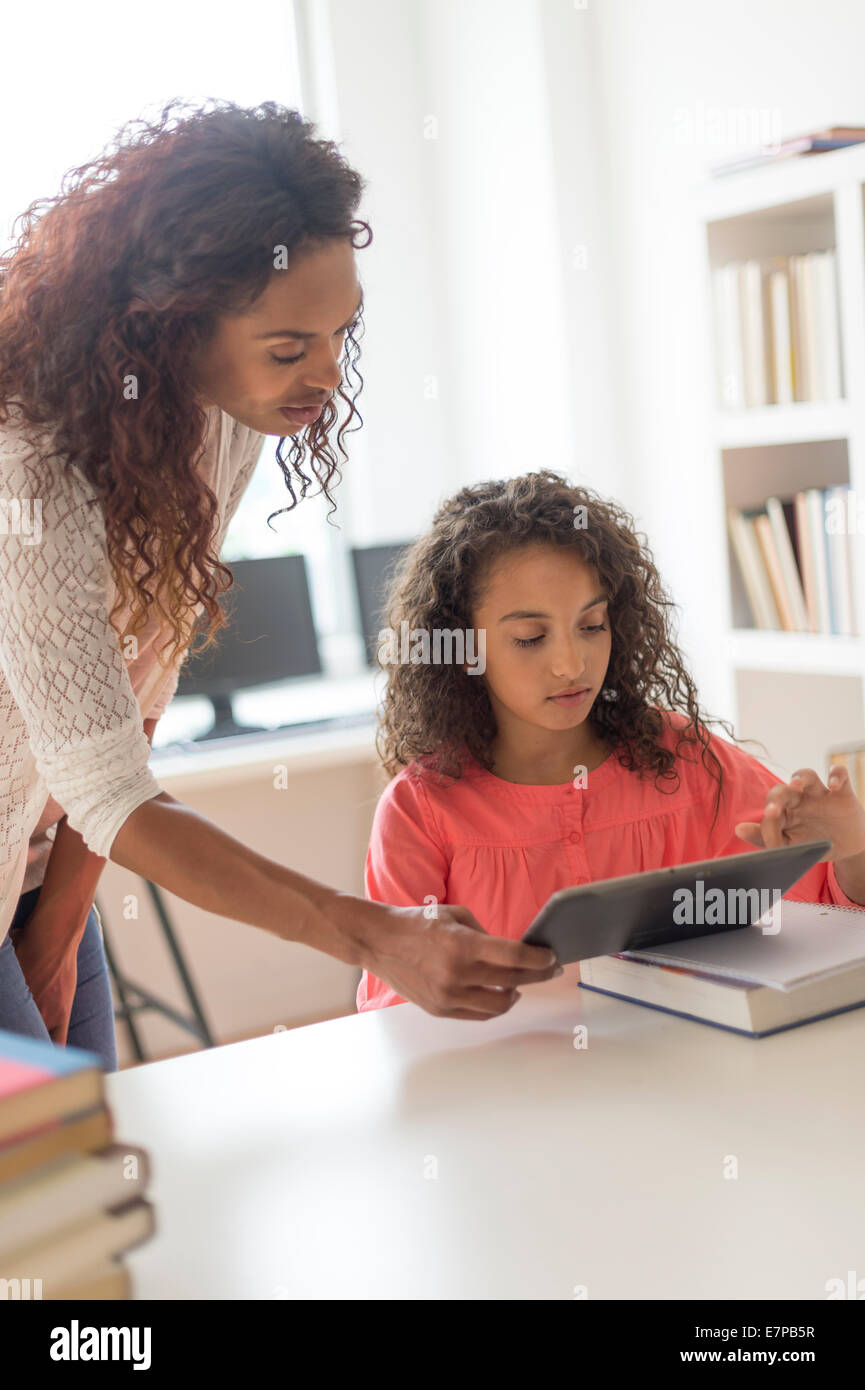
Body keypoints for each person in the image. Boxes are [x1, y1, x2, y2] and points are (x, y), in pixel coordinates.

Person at [0, 100, 559, 1069]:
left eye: (341, 333)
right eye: (289, 347)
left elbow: (129, 713)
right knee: (31, 1198)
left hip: (43, 839)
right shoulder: (27, 461)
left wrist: (53, 930)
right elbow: (105, 783)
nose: (325, 375)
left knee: (72, 1158)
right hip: (46, 808)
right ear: (170, 325)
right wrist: (378, 933)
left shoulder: (223, 416)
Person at [357, 470, 865, 1011]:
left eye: (592, 624)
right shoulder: (422, 811)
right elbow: (394, 1014)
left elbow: (828, 922)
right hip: (511, 1091)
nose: (571, 664)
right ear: (461, 647)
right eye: (530, 637)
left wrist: (854, 850)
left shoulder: (685, 759)